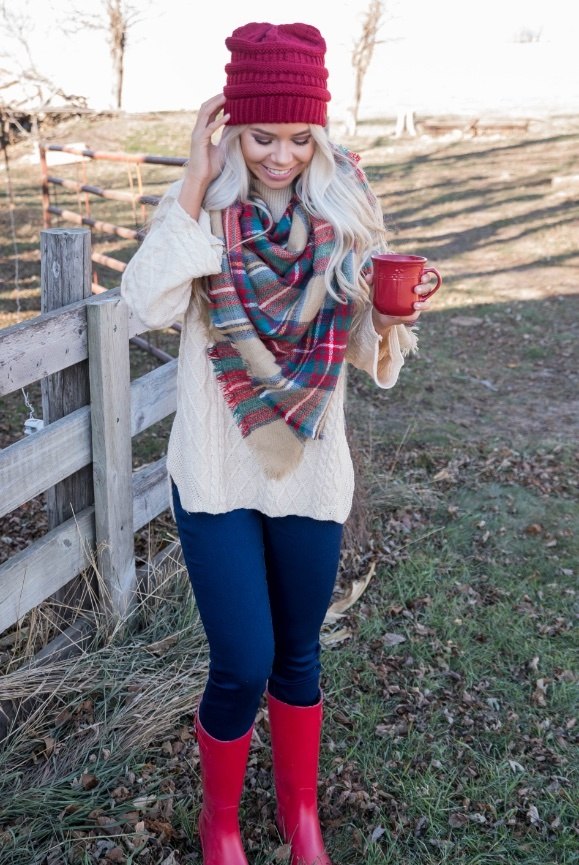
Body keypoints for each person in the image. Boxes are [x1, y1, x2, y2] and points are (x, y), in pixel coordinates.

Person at [121, 21, 436, 865]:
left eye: (301, 137)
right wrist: (191, 180)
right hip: (216, 476)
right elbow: (140, 307)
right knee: (243, 660)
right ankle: (218, 823)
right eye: (262, 135)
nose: (281, 155)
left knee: (296, 654)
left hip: (310, 473)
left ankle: (301, 818)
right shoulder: (199, 212)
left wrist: (389, 317)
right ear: (230, 128)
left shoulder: (347, 207)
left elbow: (373, 362)